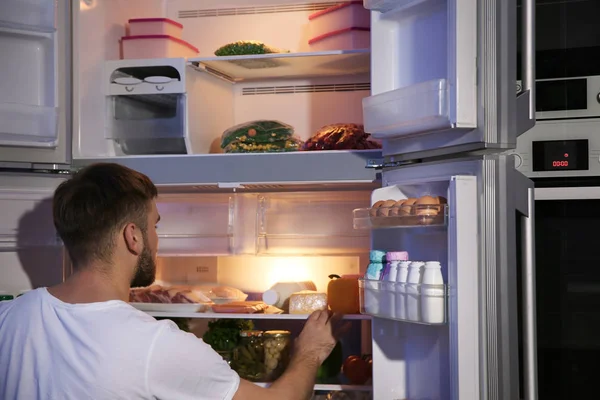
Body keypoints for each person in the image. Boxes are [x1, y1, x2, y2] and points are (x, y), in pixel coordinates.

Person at [0, 163, 348, 400]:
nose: (157, 238)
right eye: (156, 226)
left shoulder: (9, 317)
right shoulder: (157, 345)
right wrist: (311, 351)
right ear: (133, 237)